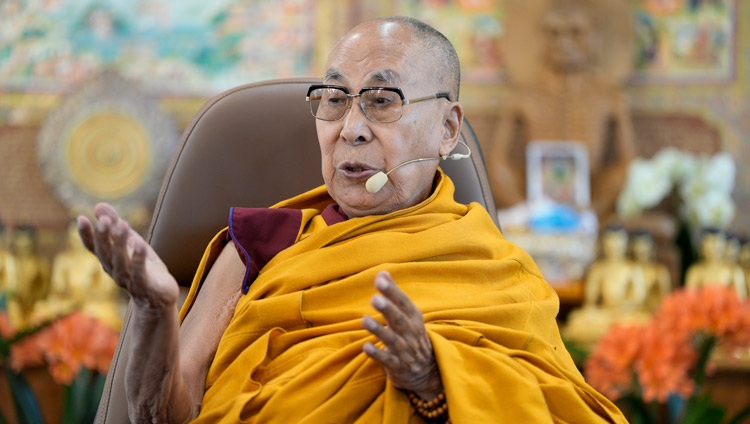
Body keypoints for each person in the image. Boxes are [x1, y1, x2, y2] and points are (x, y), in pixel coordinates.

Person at [77, 17, 626, 423]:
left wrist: (435, 384)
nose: (352, 128)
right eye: (335, 99)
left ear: (447, 129)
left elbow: (556, 409)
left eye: (383, 100)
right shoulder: (262, 245)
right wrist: (155, 311)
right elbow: (164, 417)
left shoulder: (497, 271)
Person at [486, 0, 636, 222]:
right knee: (499, 172)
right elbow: (498, 162)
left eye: (575, 33)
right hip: (532, 199)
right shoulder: (522, 96)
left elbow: (628, 162)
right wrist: (527, 211)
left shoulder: (610, 98)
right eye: (553, 34)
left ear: (596, 39)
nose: (563, 42)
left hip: (592, 200)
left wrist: (593, 211)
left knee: (623, 173)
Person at [563, 225, 649, 345]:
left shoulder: (632, 269)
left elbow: (637, 298)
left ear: (625, 244)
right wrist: (593, 311)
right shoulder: (597, 269)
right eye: (610, 241)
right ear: (603, 244)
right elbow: (590, 302)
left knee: (642, 322)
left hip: (625, 314)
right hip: (604, 314)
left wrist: (622, 309)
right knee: (576, 320)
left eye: (618, 241)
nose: (614, 246)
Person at [685, 228, 746, 300]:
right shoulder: (695, 271)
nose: (714, 248)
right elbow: (690, 298)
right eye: (710, 243)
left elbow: (741, 300)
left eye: (717, 243)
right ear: (702, 248)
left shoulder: (733, 271)